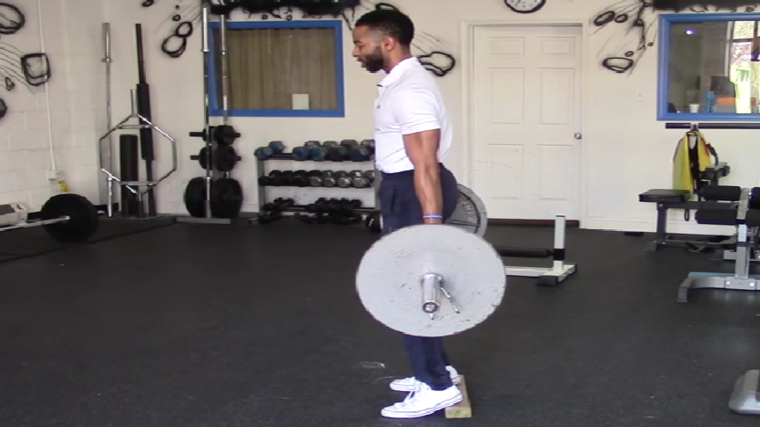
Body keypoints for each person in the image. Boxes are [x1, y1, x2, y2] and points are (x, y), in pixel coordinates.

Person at [352, 9, 464, 419]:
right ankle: (437, 370)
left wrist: (431, 228)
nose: (355, 51)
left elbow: (427, 166)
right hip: (404, 188)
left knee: (413, 289)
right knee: (417, 286)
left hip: (415, 190)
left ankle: (435, 385)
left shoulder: (409, 91)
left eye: (360, 43)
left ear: (387, 42)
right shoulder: (399, 84)